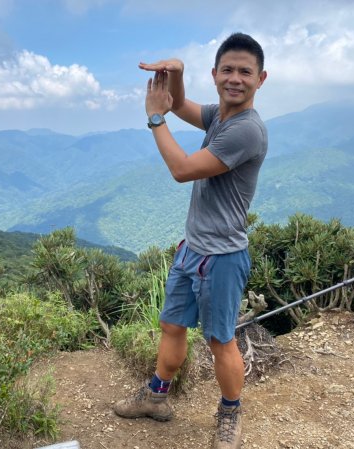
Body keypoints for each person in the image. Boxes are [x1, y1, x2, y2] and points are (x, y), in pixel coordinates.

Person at [114, 32, 268, 449]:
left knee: (220, 341)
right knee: (172, 326)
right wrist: (177, 75)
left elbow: (182, 169)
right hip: (192, 249)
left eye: (245, 72)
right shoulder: (221, 115)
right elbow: (182, 105)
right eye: (228, 70)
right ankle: (156, 398)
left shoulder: (246, 131)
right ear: (215, 74)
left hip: (222, 257)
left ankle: (230, 415)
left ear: (261, 79)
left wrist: (154, 118)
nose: (235, 78)